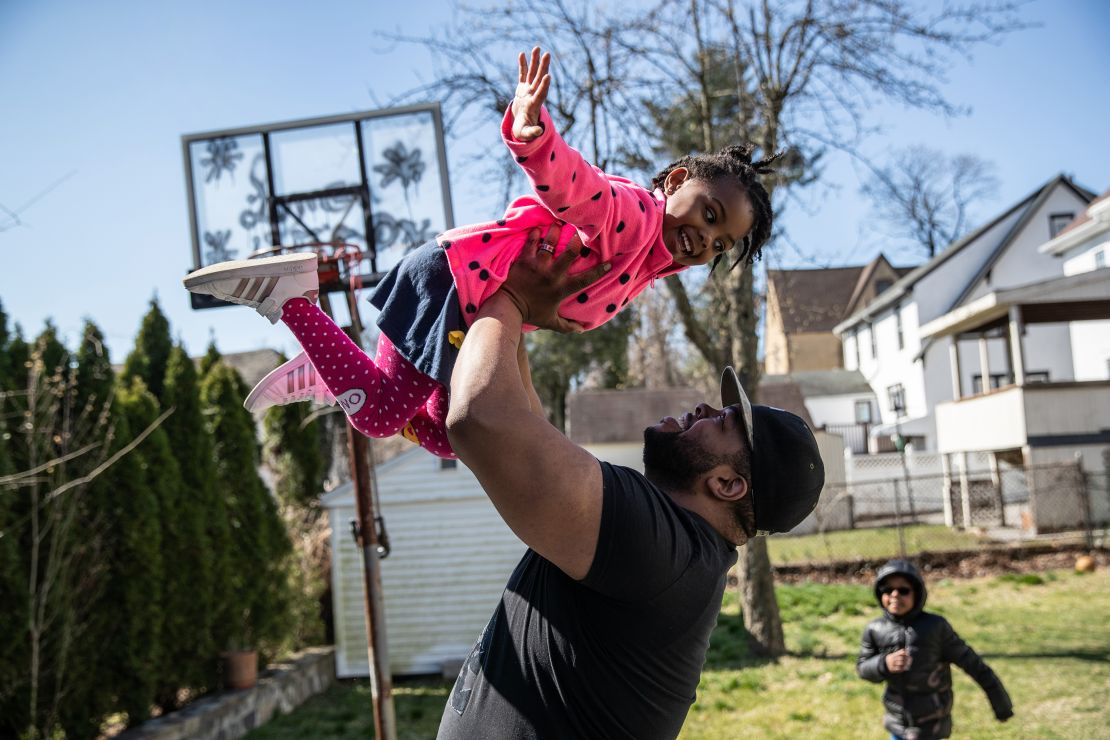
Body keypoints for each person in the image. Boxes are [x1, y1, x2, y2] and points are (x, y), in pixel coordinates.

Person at [183, 46, 778, 459]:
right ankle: (292, 300)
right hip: (451, 287)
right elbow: (575, 186)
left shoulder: (644, 267)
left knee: (452, 435)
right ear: (674, 182)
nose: (706, 238)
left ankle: (336, 372)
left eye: (721, 243)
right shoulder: (633, 218)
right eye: (708, 213)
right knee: (379, 416)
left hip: (464, 309)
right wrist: (531, 131)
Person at [433, 234, 825, 739]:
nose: (705, 408)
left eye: (724, 421)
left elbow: (480, 419)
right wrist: (523, 311)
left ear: (728, 483)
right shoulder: (676, 548)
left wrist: (510, 300)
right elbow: (526, 421)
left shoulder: (661, 549)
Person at [857, 559, 1014, 739]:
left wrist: (1002, 705)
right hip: (897, 724)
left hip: (932, 725)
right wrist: (883, 663)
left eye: (903, 590)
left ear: (917, 593)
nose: (895, 595)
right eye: (887, 589)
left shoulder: (935, 628)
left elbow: (975, 666)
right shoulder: (874, 629)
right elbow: (863, 668)